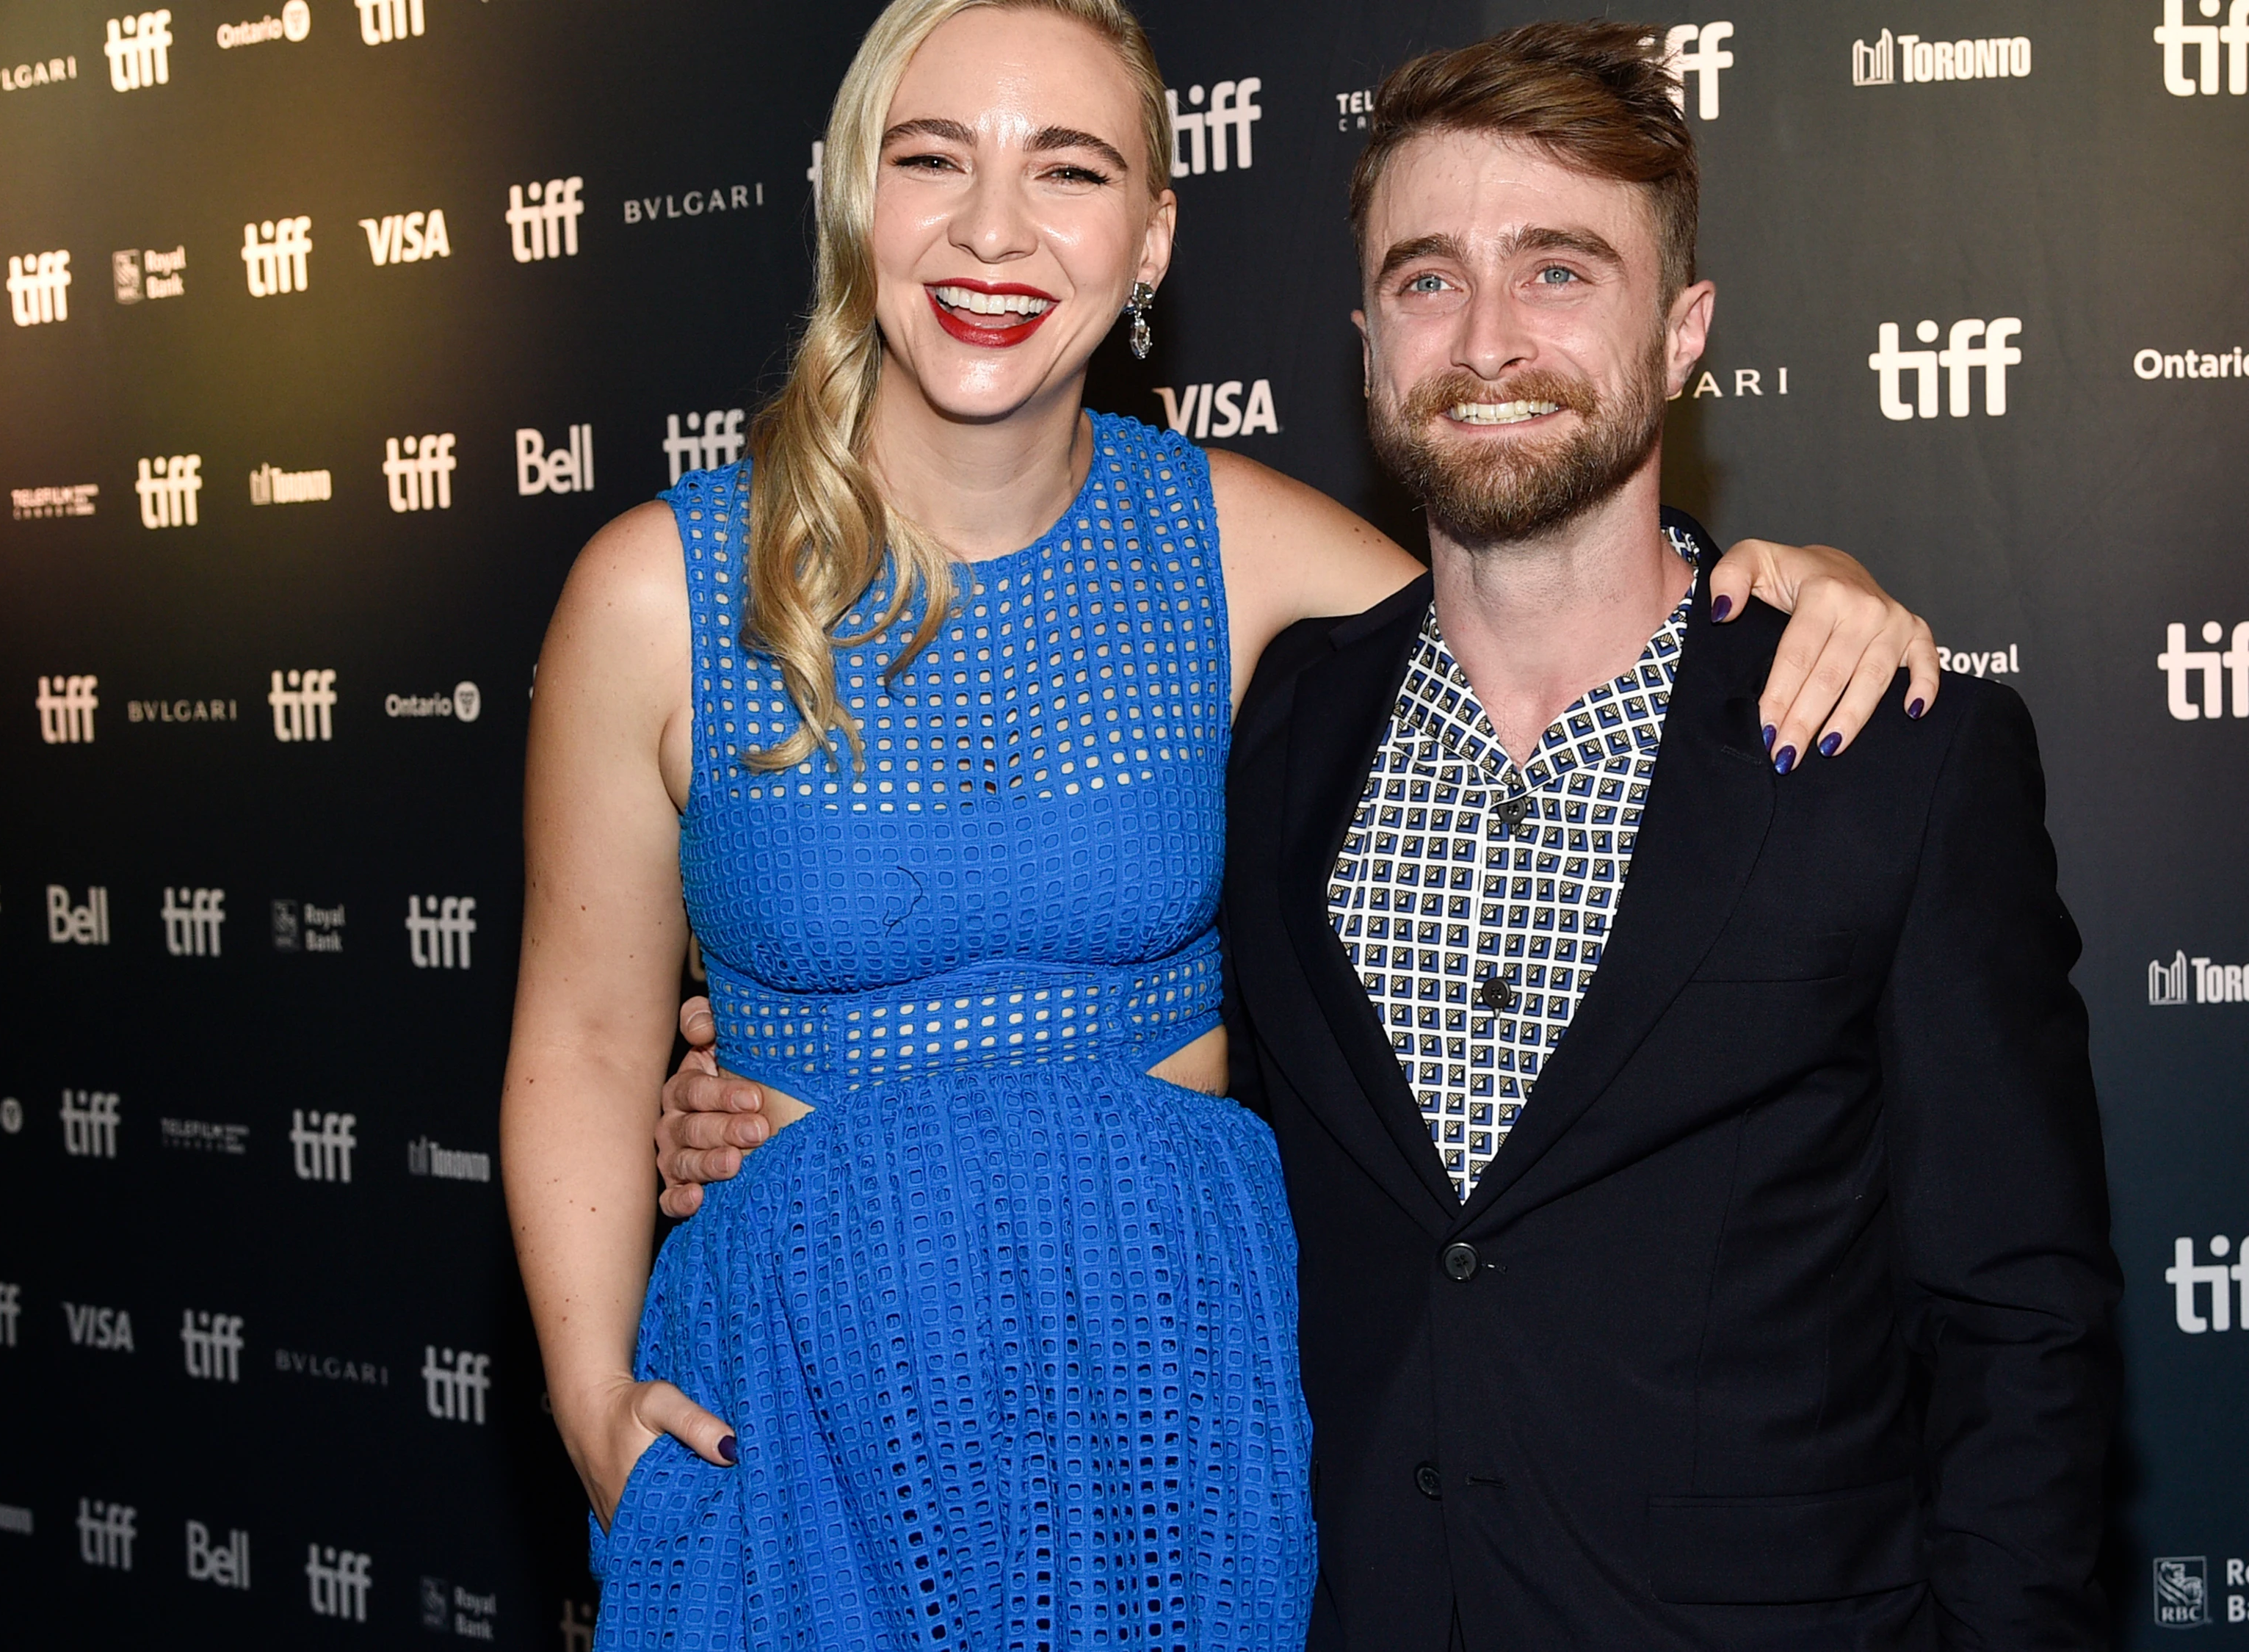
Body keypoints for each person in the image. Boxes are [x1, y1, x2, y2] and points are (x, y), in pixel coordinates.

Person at [516, 2, 1940, 1646]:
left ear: (1151, 235)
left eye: (1067, 168)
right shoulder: (653, 593)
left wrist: (1779, 584)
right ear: (853, 198)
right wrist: (582, 1395)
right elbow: (586, 1033)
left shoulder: (1239, 548)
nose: (992, 230)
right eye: (931, 161)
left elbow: (1563, 621)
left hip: (1170, 1381)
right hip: (798, 1400)